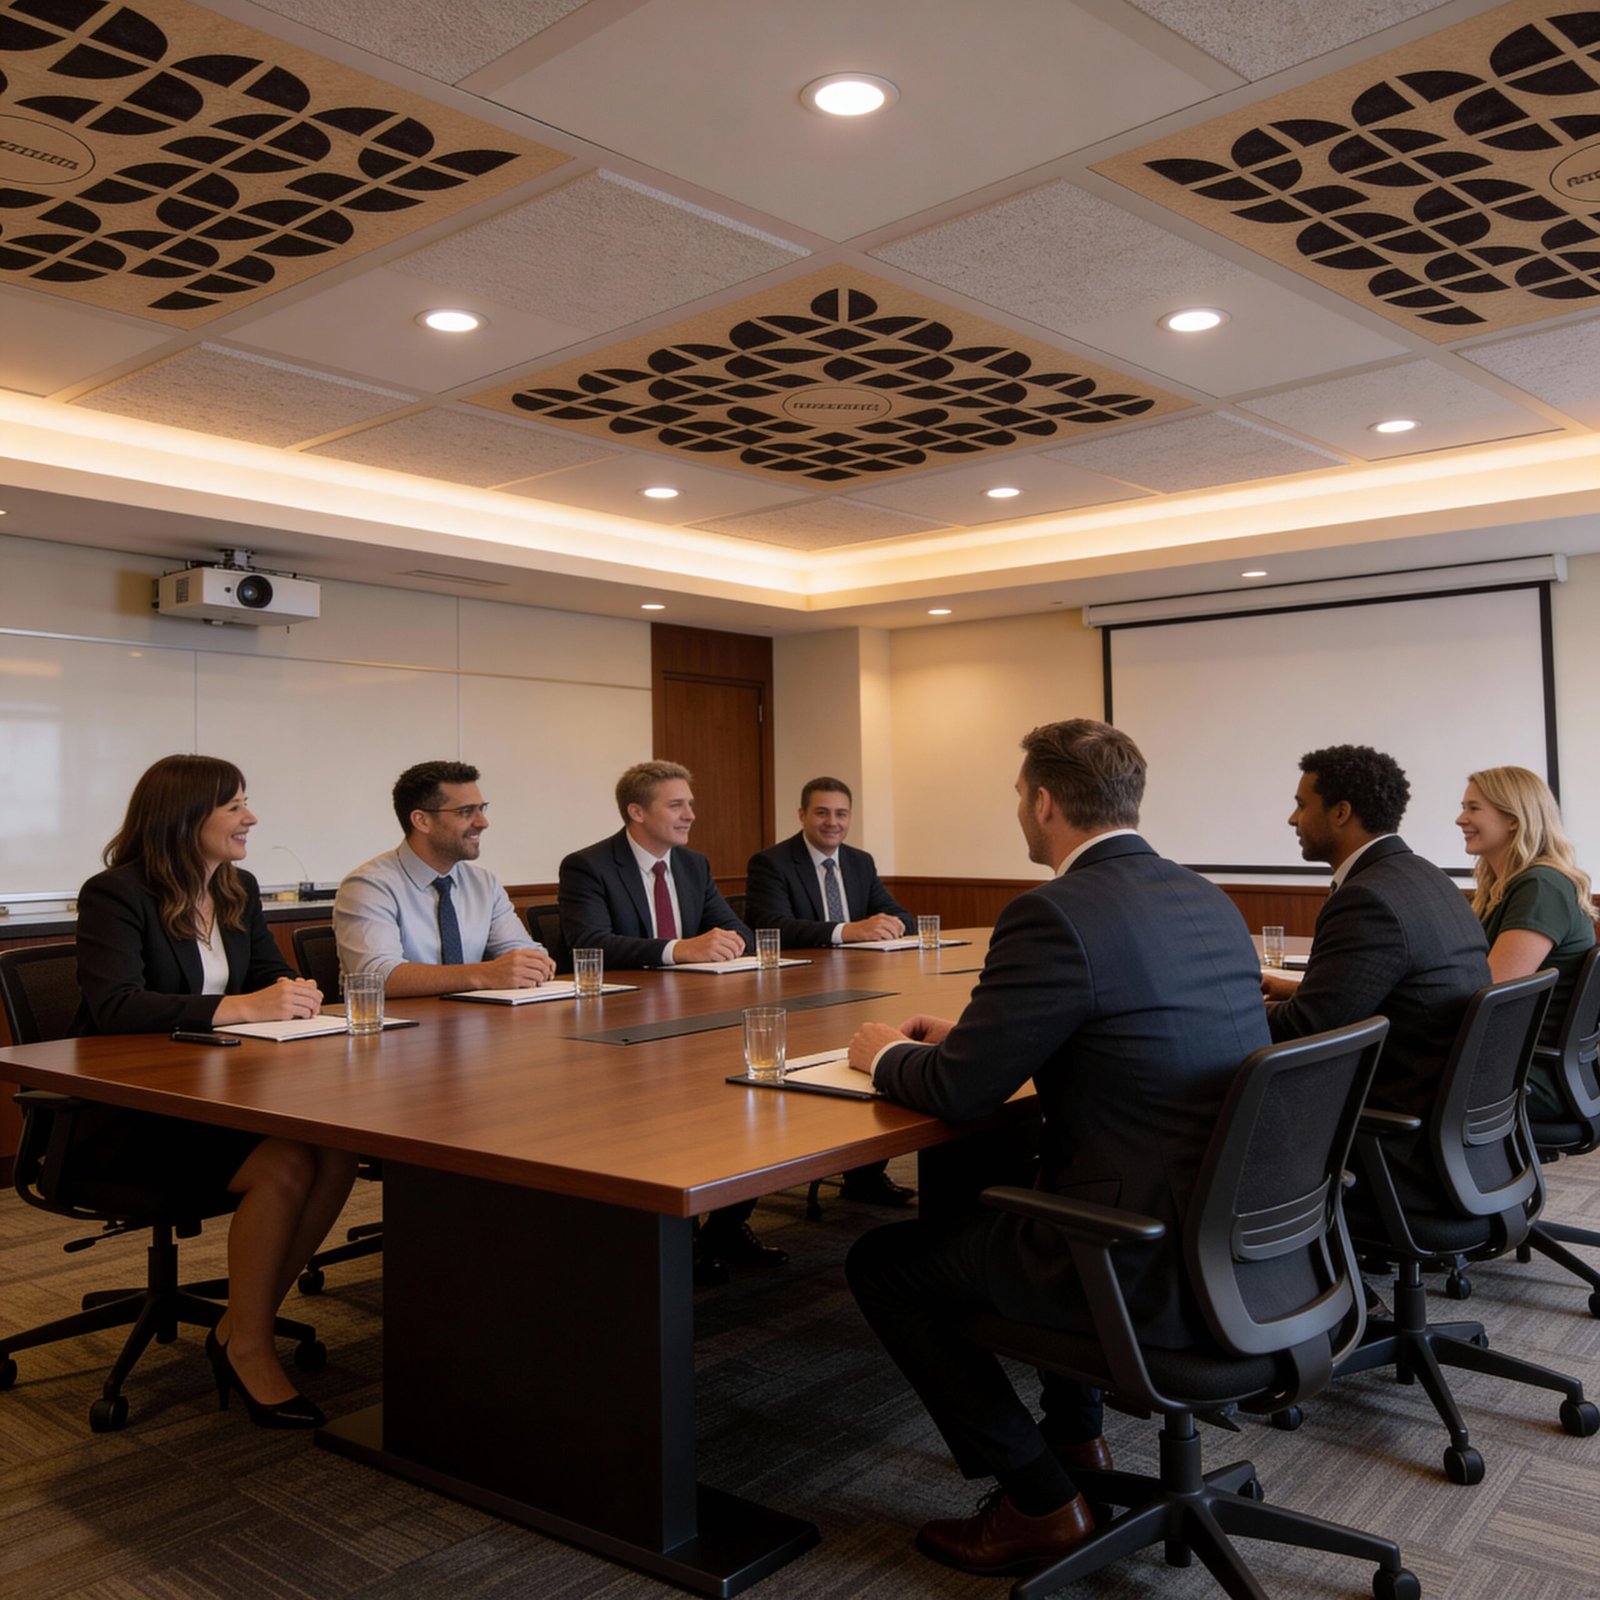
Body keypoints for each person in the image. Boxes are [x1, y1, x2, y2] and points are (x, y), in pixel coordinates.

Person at [842, 719, 1268, 1576]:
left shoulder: (1054, 912)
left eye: (1017, 797)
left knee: (884, 1266)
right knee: (1039, 1189)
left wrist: (882, 1054)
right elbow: (1132, 1031)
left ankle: (1040, 1502)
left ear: (1043, 802)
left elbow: (961, 1093)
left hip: (1140, 1257)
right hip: (1244, 1241)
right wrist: (981, 1038)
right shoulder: (1205, 897)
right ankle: (1076, 1441)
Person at [73, 754, 357, 1429]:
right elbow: (116, 1006)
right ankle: (250, 1348)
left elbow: (266, 973)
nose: (250, 817)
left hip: (216, 1095)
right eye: (234, 806)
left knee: (336, 1153)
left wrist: (292, 992)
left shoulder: (236, 887)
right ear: (184, 817)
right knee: (286, 1163)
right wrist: (242, 1008)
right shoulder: (115, 893)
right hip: (130, 1112)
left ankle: (240, 1324)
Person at [559, 761, 780, 1280]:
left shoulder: (693, 865)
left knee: (748, 1107)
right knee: (661, 1128)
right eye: (676, 805)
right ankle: (676, 1244)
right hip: (620, 1030)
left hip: (697, 1017)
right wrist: (679, 949)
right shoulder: (588, 866)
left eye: (690, 803)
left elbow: (736, 931)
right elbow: (589, 943)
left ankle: (726, 1226)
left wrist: (727, 942)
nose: (690, 815)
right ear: (637, 812)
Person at [1262, 745, 1490, 1127]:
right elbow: (1380, 992)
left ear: (1341, 812)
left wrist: (1229, 1011)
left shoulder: (1367, 899)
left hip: (1393, 1114)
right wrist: (1291, 990)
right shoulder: (1426, 876)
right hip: (1450, 1105)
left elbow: (1307, 1029)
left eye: (1301, 805)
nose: (1292, 819)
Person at [746, 776, 917, 1207]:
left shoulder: (859, 862)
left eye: (841, 814)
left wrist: (891, 923)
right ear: (802, 815)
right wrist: (846, 930)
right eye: (822, 813)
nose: (832, 822)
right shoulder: (771, 863)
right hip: (796, 992)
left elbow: (898, 913)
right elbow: (771, 926)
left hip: (859, 987)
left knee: (871, 1064)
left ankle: (866, 1174)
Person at [335, 760, 554, 995]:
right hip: (401, 1017)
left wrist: (533, 965)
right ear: (422, 821)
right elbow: (376, 977)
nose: (483, 822)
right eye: (466, 812)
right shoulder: (369, 886)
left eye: (482, 808)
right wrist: (484, 974)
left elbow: (524, 952)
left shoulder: (484, 884)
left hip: (476, 1015)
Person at [1458, 766, 1595, 1118]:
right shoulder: (1507, 887)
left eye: (1474, 808)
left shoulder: (1540, 886)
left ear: (1513, 819)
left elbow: (1490, 995)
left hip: (1533, 1076)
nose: (1460, 819)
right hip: (1519, 1063)